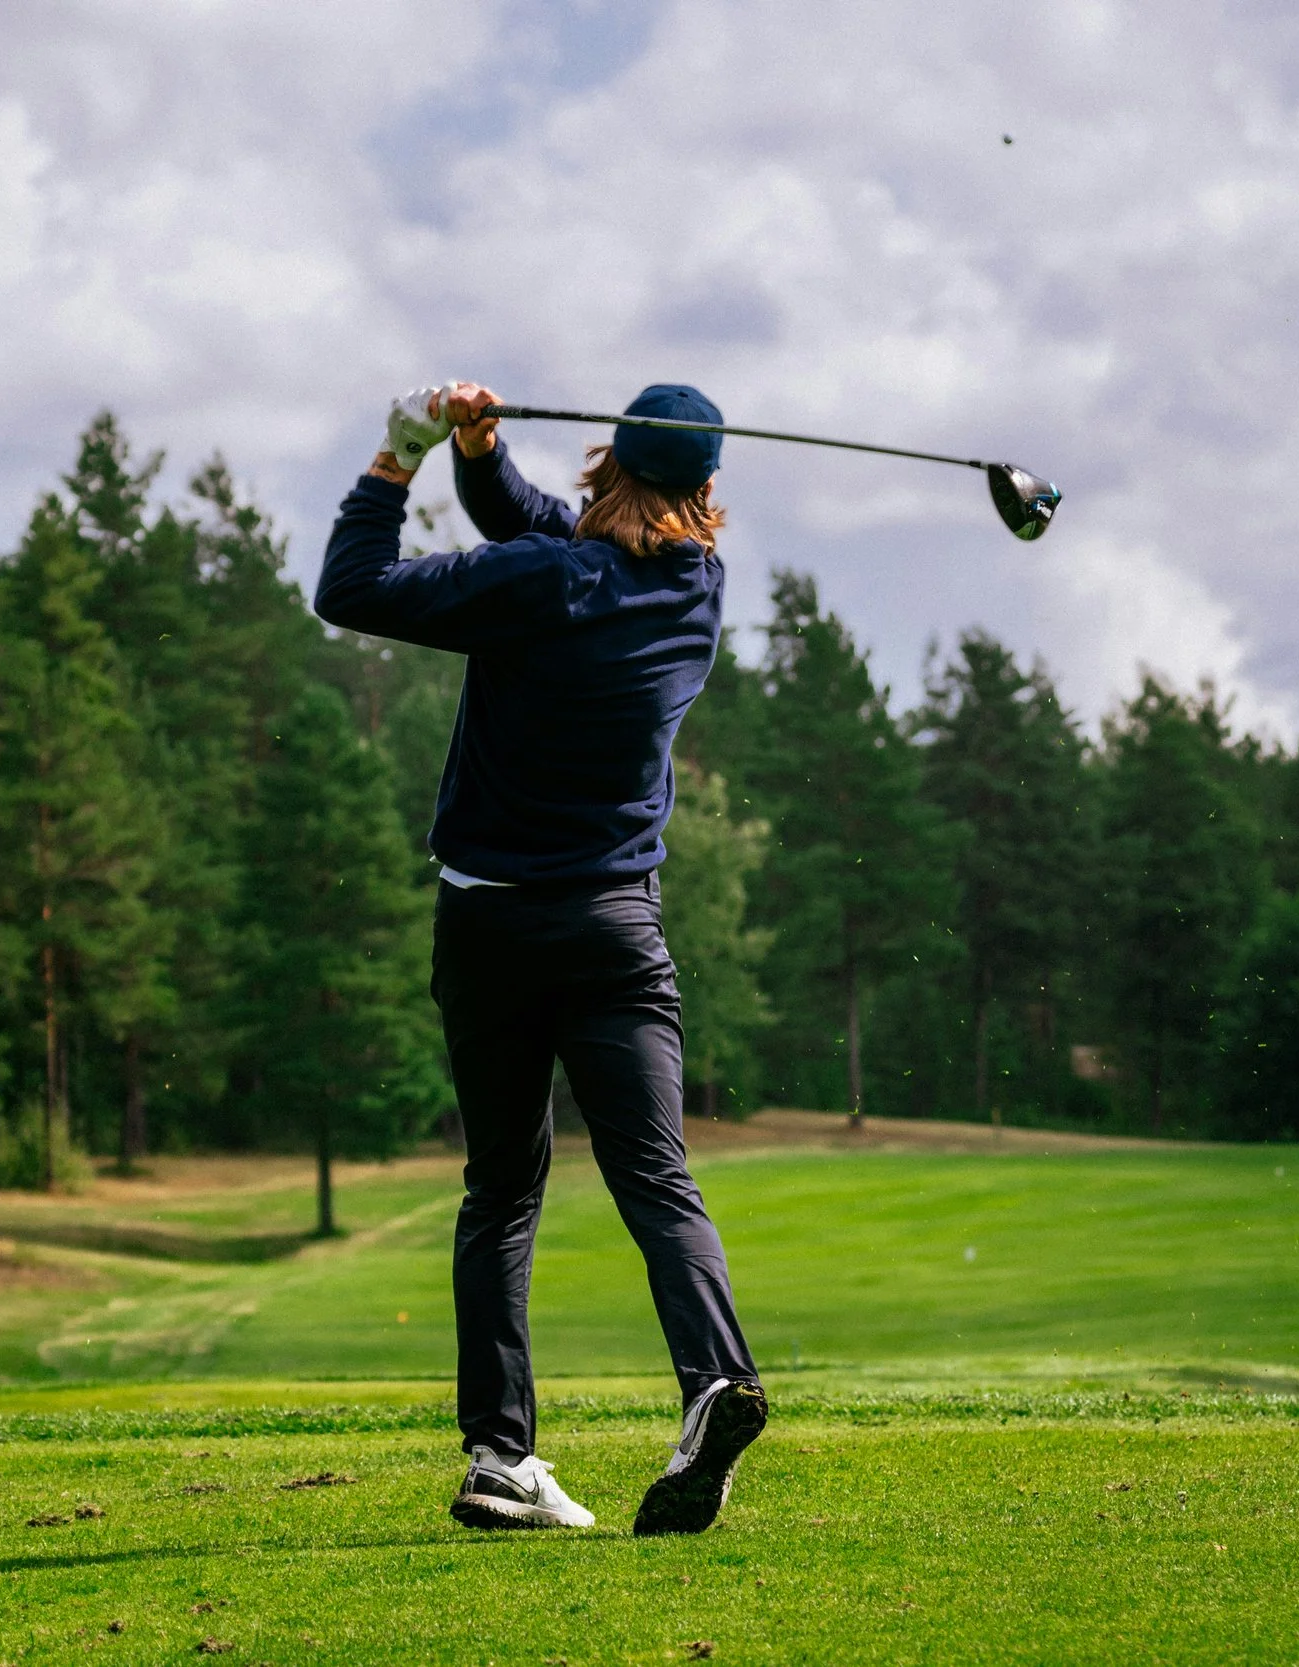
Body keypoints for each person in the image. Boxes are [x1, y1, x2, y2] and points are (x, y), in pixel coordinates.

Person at [316, 380, 766, 1536]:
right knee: (655, 1174)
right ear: (705, 493)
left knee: (503, 1188)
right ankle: (714, 1376)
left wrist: (399, 452)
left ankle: (502, 1455)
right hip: (616, 928)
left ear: (606, 460)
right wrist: (481, 457)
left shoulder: (534, 582)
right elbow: (551, 532)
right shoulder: (694, 587)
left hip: (489, 930)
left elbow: (349, 586)